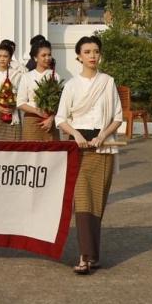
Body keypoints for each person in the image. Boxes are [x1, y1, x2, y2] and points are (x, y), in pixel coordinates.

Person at [55, 35, 123, 275]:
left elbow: (117, 116)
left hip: (103, 148)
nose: (92, 55)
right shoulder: (71, 85)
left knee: (97, 204)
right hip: (79, 148)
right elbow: (61, 119)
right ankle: (84, 257)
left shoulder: (108, 82)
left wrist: (102, 136)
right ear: (79, 56)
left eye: (95, 51)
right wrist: (76, 136)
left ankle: (93, 256)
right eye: (87, 51)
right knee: (82, 201)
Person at [19, 41, 62, 142]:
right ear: (35, 58)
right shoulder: (27, 77)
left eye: (49, 55)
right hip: (32, 120)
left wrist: (51, 118)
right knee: (31, 154)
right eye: (43, 55)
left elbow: (60, 102)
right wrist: (38, 111)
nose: (47, 58)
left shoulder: (55, 76)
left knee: (51, 154)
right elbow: (20, 103)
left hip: (50, 122)